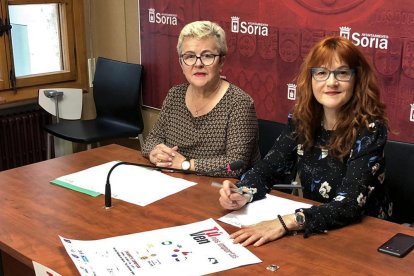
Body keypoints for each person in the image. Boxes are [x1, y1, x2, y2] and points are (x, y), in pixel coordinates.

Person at [219, 36, 392, 246]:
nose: (331, 82)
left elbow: (349, 204)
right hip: (316, 230)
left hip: (362, 236)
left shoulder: (370, 129)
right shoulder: (302, 119)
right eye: (321, 73)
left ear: (357, 79)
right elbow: (268, 168)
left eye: (342, 73)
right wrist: (242, 192)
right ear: (310, 79)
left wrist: (284, 223)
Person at [142, 21, 260, 177]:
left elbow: (235, 165)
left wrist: (186, 165)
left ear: (221, 61)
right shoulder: (174, 95)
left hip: (223, 193)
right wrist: (154, 152)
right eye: (190, 56)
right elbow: (152, 139)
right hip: (174, 183)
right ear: (181, 63)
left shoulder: (239, 104)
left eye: (207, 56)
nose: (198, 64)